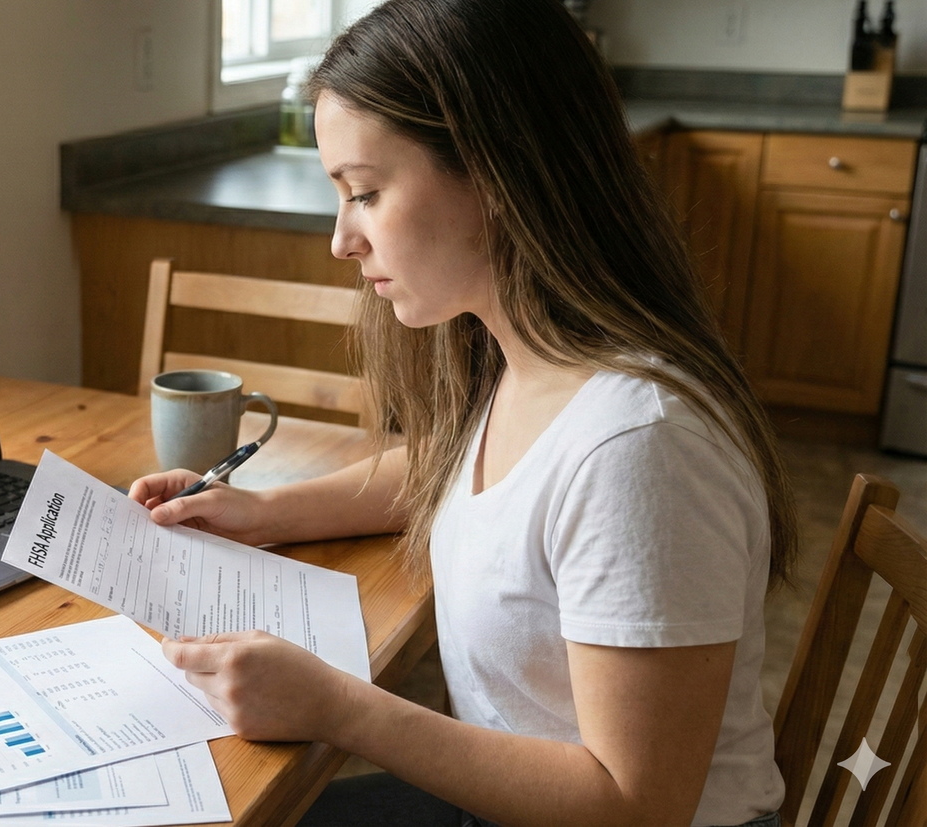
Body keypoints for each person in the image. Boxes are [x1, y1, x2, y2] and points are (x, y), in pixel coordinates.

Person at [128, 2, 796, 826]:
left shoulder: (641, 447)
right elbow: (473, 475)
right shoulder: (533, 360)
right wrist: (264, 512)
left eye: (365, 192)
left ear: (496, 175)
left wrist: (338, 707)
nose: (342, 239)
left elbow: (638, 804)